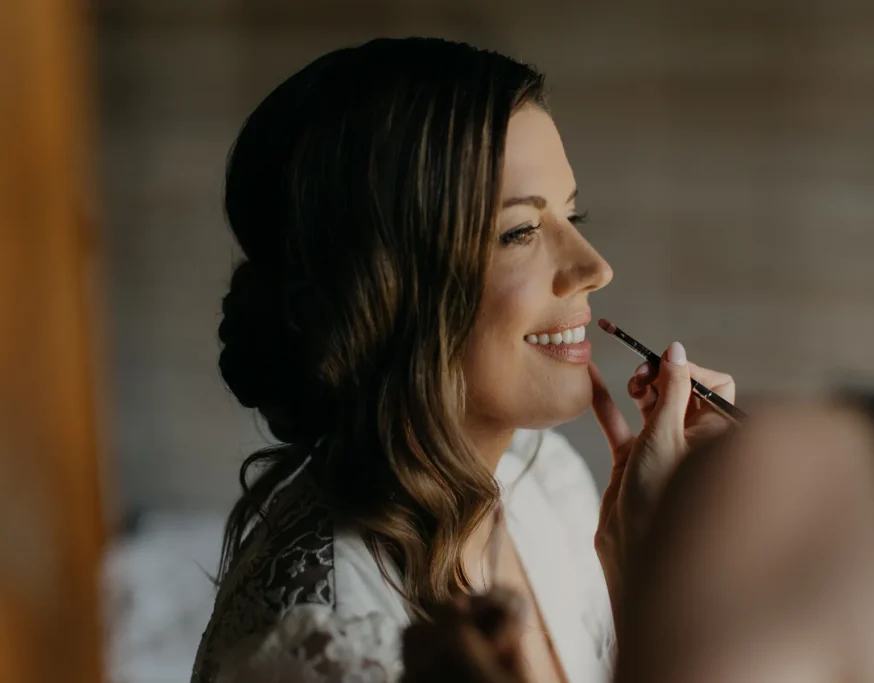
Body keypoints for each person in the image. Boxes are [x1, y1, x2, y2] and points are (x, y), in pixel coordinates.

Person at [392, 8, 874, 683]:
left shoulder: (791, 490)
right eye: (522, 230)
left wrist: (662, 561)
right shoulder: (342, 598)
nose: (598, 267)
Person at [192, 37, 736, 683]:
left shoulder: (547, 483)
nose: (595, 267)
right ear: (385, 294)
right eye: (520, 232)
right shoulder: (327, 644)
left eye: (571, 213)